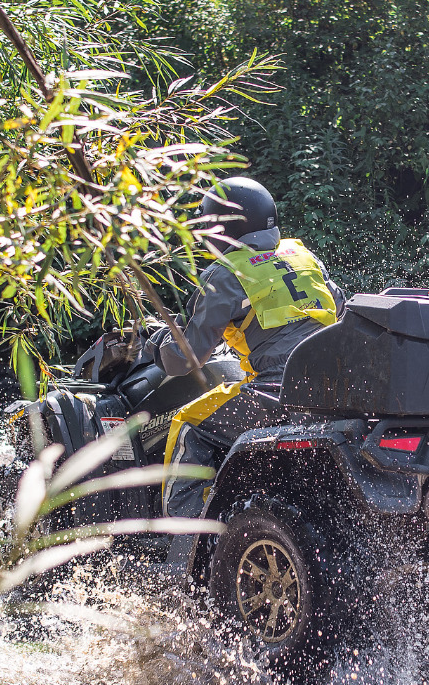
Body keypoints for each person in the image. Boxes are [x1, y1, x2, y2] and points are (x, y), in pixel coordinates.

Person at [147, 176, 343, 517]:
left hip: (276, 394)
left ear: (223, 229)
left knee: (188, 423)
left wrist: (155, 342)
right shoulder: (303, 256)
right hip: (335, 388)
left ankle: (185, 531)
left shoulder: (226, 274)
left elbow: (184, 359)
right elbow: (339, 308)